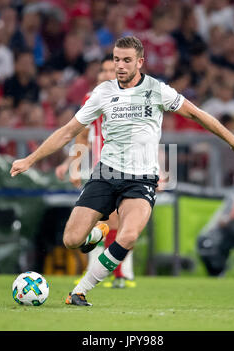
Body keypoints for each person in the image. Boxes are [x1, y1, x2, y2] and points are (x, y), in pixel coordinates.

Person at [10, 36, 234, 306]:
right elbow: (69, 131)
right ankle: (100, 230)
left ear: (140, 62)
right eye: (116, 59)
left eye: (126, 60)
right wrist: (30, 159)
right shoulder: (102, 93)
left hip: (141, 180)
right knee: (71, 239)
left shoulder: (158, 90)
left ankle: (79, 291)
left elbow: (196, 113)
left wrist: (231, 139)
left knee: (128, 235)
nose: (120, 65)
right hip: (106, 174)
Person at [55, 54, 135, 289]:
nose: (107, 74)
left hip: (131, 166)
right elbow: (82, 135)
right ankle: (117, 274)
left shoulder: (133, 98)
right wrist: (74, 165)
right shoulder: (92, 98)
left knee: (119, 222)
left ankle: (118, 274)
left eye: (112, 70)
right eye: (104, 70)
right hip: (103, 168)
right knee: (110, 222)